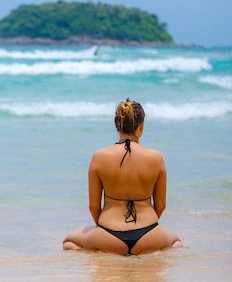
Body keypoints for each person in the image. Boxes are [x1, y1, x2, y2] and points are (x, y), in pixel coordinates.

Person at [63, 98, 182, 255]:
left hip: (109, 234)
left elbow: (93, 206)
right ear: (141, 128)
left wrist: (104, 234)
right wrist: (148, 230)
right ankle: (151, 254)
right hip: (149, 234)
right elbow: (161, 205)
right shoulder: (156, 157)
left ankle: (104, 255)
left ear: (117, 127)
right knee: (176, 243)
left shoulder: (99, 157)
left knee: (68, 242)